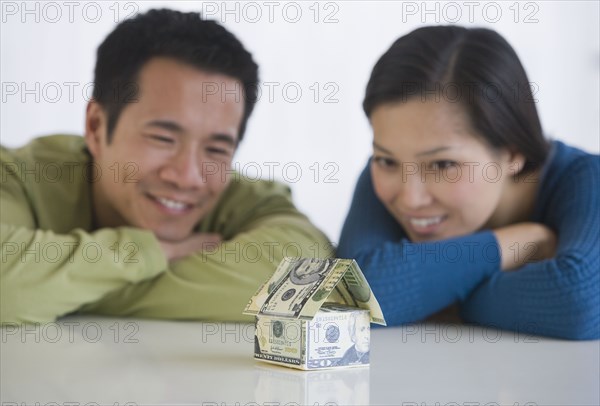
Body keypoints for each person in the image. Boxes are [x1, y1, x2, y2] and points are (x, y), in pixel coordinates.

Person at [0, 9, 331, 324]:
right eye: (162, 138)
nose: (188, 177)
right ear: (96, 126)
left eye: (216, 148)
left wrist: (60, 286)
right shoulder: (19, 176)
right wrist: (154, 252)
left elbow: (309, 273)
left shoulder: (244, 198)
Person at [337, 26, 599, 340]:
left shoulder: (587, 179)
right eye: (386, 159)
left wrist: (434, 296)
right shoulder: (388, 173)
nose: (410, 198)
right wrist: (514, 244)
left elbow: (576, 303)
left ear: (513, 152)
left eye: (443, 164)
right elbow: (353, 292)